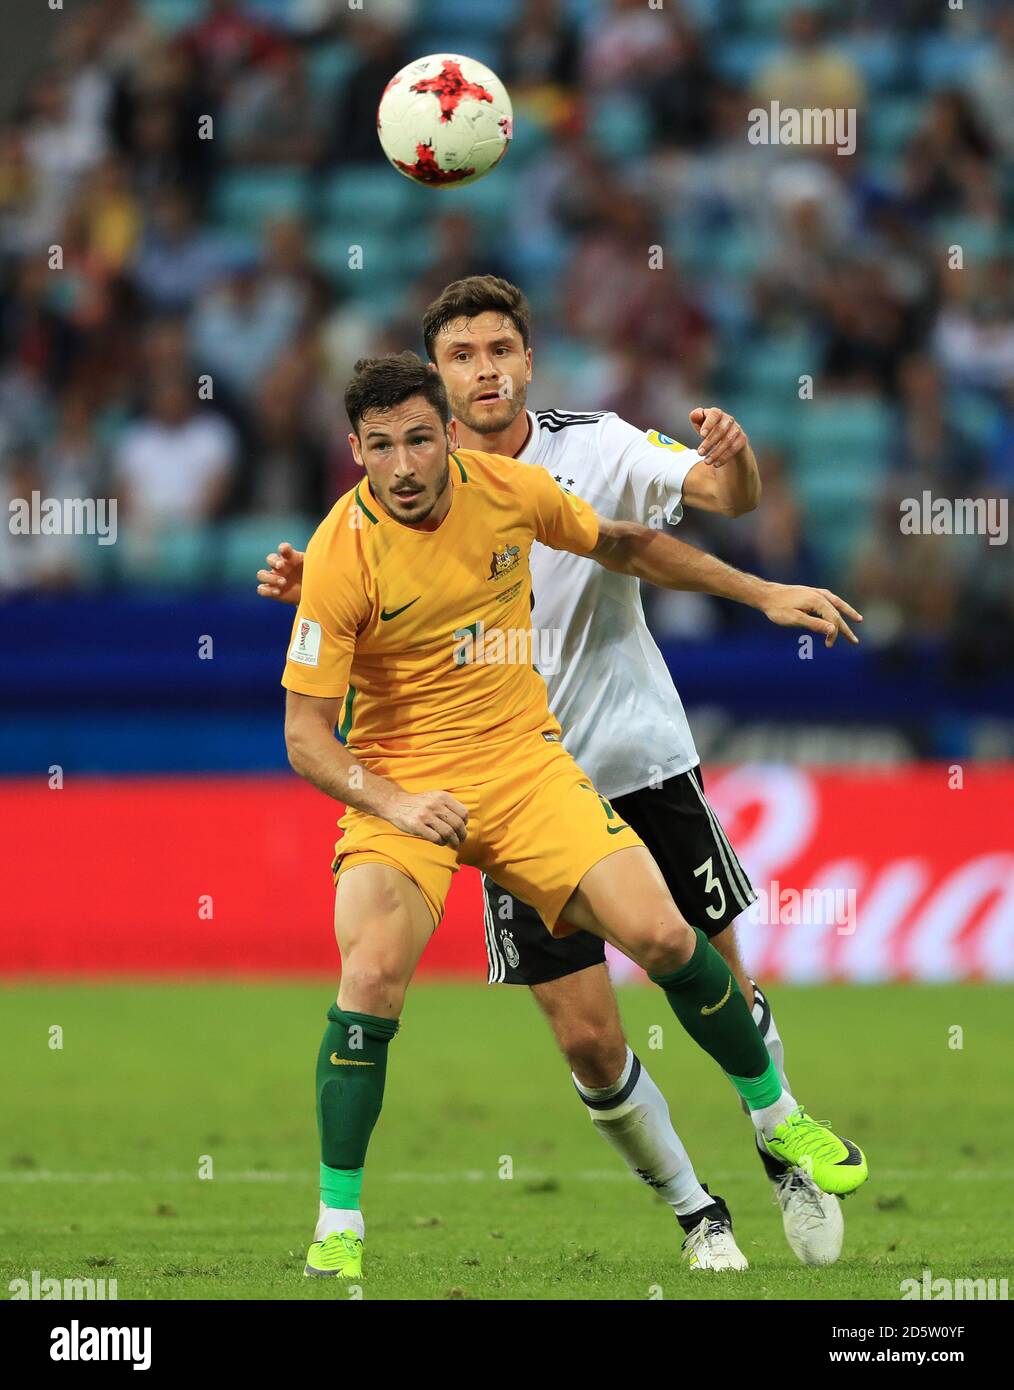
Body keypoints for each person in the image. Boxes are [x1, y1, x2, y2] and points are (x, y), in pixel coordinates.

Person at [259, 275, 862, 1269]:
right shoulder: (341, 546)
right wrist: (393, 787)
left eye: (499, 349)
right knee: (460, 1001)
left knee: (681, 942)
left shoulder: (545, 473)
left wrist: (759, 581)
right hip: (420, 788)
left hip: (574, 763)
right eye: (384, 444)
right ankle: (355, 1227)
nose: (406, 463)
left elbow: (637, 537)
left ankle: (781, 1126)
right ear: (364, 445)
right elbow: (307, 733)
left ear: (503, 381)